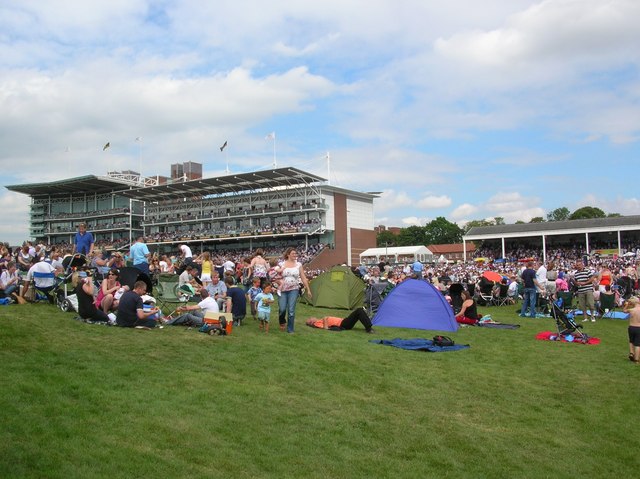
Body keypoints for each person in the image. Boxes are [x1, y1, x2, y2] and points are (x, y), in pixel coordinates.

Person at [277, 247, 312, 333]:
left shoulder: (298, 265)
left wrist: (308, 289)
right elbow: (275, 275)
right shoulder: (281, 264)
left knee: (291, 310)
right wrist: (278, 282)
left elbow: (303, 277)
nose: (295, 255)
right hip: (283, 289)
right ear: (288, 254)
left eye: (296, 254)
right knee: (282, 309)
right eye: (293, 253)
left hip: (294, 289)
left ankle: (290, 329)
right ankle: (282, 321)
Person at [306, 307, 374, 333]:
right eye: (309, 319)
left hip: (344, 321)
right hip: (343, 324)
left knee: (359, 312)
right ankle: (369, 328)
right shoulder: (316, 323)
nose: (311, 317)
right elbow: (325, 328)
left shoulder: (319, 321)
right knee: (359, 310)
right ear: (311, 322)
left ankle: (369, 327)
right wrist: (325, 319)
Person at [624, 297, 640, 363]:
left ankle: (631, 353)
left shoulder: (631, 310)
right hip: (638, 328)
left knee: (631, 341)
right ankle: (636, 359)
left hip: (631, 327)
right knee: (637, 344)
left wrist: (627, 305)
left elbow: (624, 311)